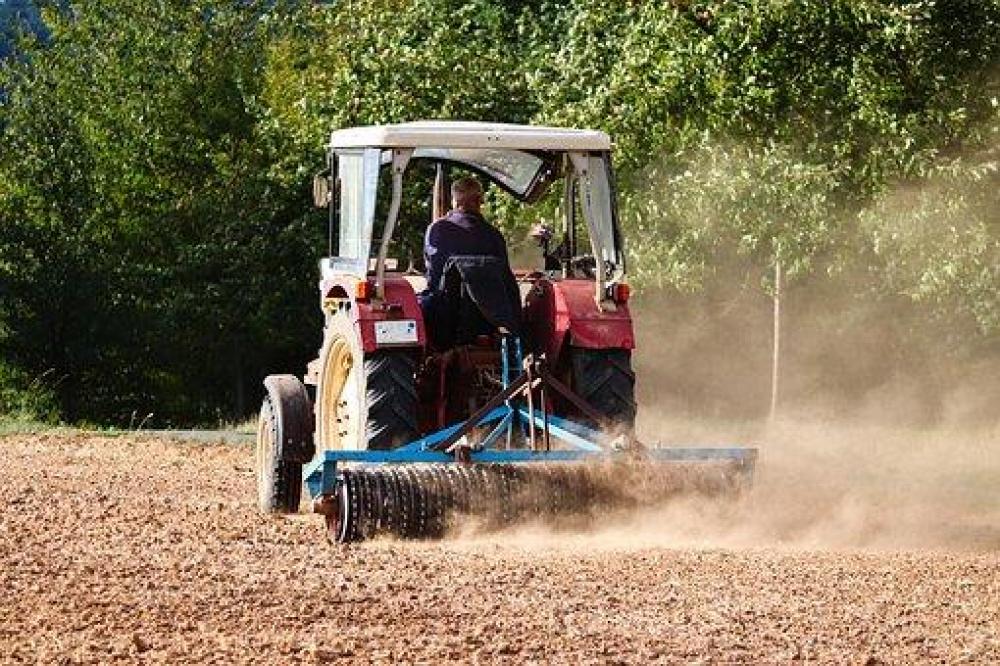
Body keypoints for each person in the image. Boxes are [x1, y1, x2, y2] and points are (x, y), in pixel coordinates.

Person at [420, 176, 519, 348]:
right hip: (489, 321)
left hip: (445, 319)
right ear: (480, 201)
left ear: (454, 200)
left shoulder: (437, 230)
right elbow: (505, 279)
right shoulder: (494, 235)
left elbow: (433, 275)